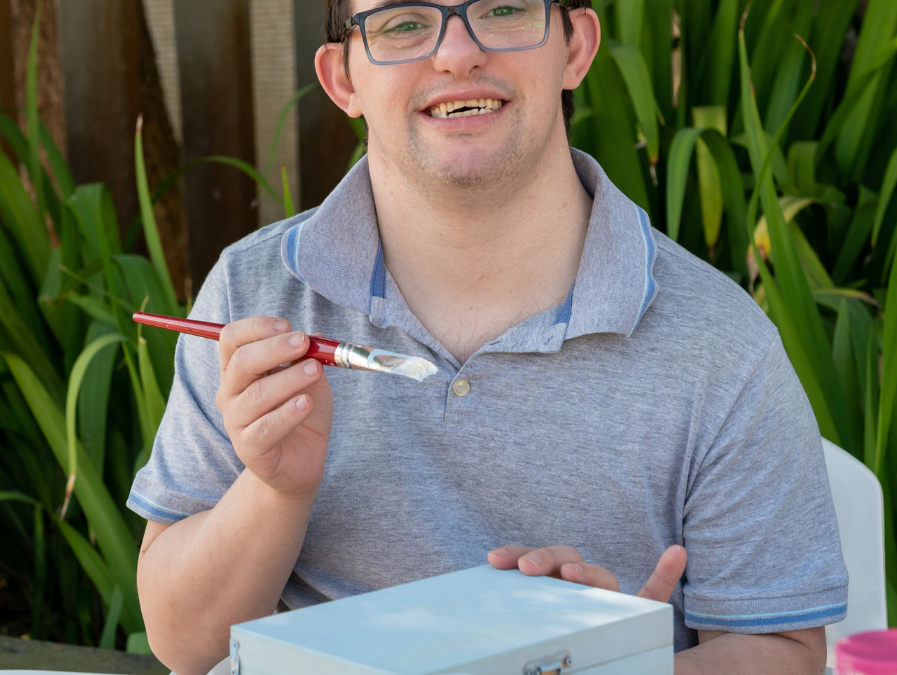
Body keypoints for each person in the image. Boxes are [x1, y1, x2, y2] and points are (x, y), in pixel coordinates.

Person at [129, 1, 849, 673]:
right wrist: (272, 493)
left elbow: (784, 648)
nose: (456, 54)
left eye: (502, 9)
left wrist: (619, 663)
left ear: (576, 48)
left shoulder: (719, 343)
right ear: (343, 79)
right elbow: (182, 643)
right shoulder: (254, 295)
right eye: (404, 22)